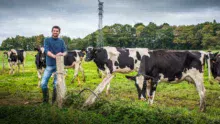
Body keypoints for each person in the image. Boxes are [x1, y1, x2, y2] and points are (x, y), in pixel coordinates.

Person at [41, 26, 67, 104]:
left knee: (56, 84)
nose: (55, 32)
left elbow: (65, 52)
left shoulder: (61, 41)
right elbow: (46, 51)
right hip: (49, 65)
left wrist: (62, 53)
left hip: (58, 66)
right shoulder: (47, 40)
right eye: (54, 31)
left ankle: (53, 101)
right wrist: (55, 56)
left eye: (57, 31)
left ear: (59, 32)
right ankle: (45, 101)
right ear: (52, 31)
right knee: (43, 83)